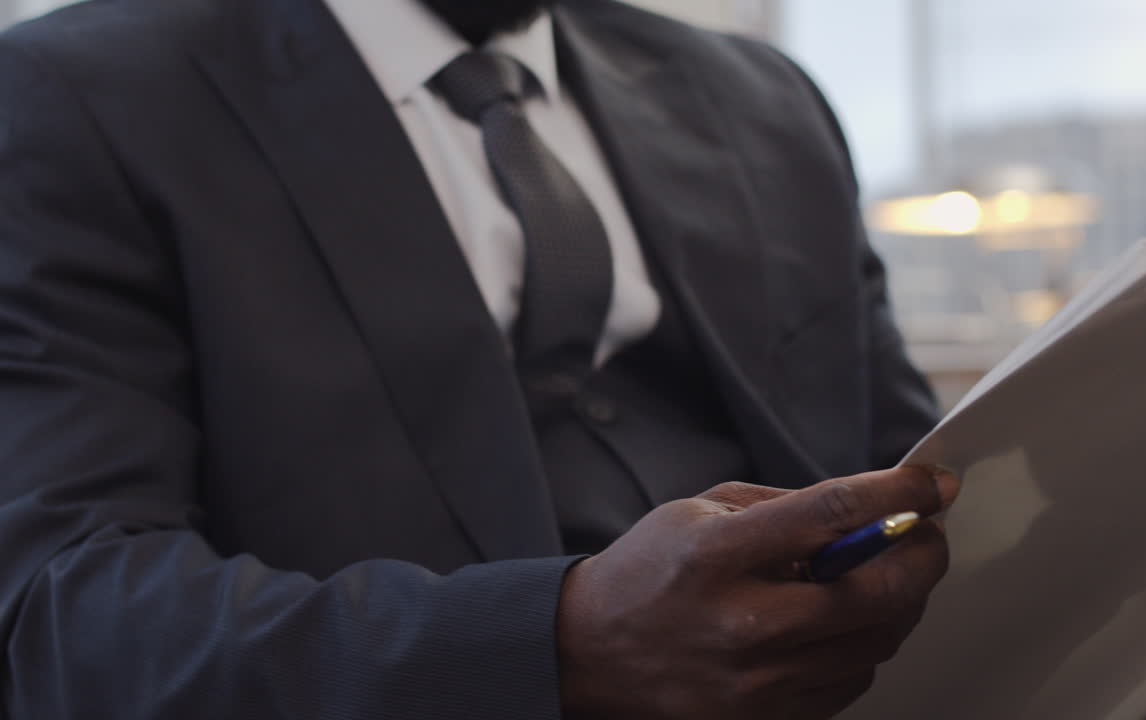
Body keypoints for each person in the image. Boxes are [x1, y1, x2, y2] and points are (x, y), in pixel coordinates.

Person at [0, 0, 956, 717]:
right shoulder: (74, 98)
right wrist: (552, 642)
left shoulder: (764, 102)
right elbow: (65, 614)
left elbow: (925, 476)